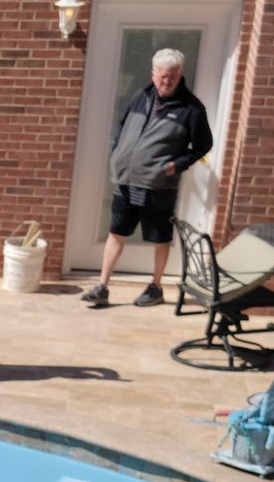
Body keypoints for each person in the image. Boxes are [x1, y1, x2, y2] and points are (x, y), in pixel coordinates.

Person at [80, 49, 213, 309]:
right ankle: (102, 286)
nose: (168, 81)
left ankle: (156, 287)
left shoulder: (191, 109)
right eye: (163, 76)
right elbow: (122, 125)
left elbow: (203, 144)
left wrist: (177, 165)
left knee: (159, 237)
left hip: (158, 185)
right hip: (127, 181)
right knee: (117, 232)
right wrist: (118, 151)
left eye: (173, 77)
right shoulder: (140, 97)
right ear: (154, 75)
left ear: (180, 75)